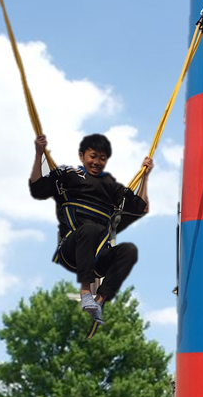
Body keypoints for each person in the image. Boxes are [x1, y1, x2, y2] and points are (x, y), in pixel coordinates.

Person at [29, 133, 153, 325]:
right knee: (90, 229)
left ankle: (100, 300)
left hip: (98, 256)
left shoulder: (110, 185)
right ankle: (86, 292)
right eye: (93, 156)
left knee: (129, 250)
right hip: (72, 249)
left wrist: (144, 176)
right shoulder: (67, 175)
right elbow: (37, 188)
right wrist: (39, 154)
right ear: (82, 156)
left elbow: (141, 207)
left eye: (102, 158)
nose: (97, 162)